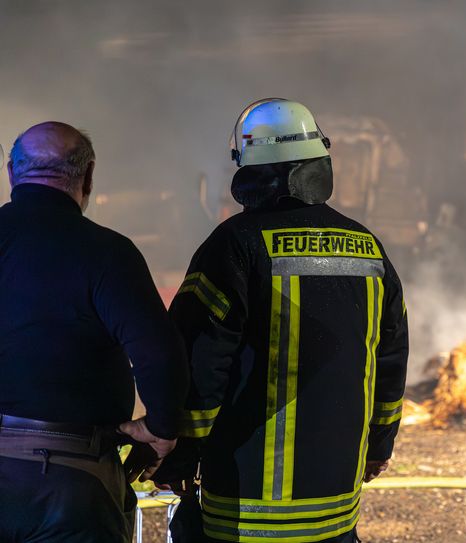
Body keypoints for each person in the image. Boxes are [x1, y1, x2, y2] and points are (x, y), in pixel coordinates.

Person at [154, 99, 410, 543]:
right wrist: (379, 443)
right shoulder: (367, 246)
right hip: (336, 511)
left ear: (248, 168)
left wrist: (180, 452)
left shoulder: (235, 245)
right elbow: (390, 357)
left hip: (245, 512)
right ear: (319, 161)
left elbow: (200, 359)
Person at [0, 121, 189, 542]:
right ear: (87, 177)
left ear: (12, 173)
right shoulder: (108, 252)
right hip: (71, 482)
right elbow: (159, 355)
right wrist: (160, 428)